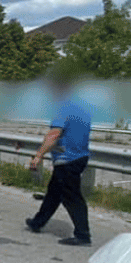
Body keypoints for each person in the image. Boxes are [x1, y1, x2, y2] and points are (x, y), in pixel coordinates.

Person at [26, 70, 92, 246]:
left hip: (67, 159)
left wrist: (38, 155)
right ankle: (37, 222)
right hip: (80, 156)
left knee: (72, 197)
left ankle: (83, 235)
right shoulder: (83, 110)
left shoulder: (63, 109)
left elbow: (54, 135)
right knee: (54, 193)